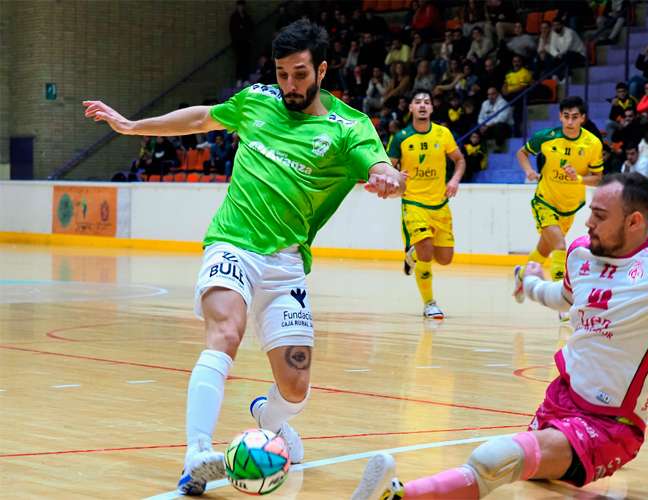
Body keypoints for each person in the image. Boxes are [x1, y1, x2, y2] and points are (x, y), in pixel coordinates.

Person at [83, 19, 406, 496]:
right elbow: (200, 119)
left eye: (299, 74)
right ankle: (197, 456)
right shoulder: (257, 101)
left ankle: (269, 421)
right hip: (232, 242)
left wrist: (387, 177)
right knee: (225, 333)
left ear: (321, 69)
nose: (290, 85)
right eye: (282, 74)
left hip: (286, 263)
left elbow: (377, 163)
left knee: (296, 381)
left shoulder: (347, 127)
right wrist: (132, 126)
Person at [352, 172, 648, 500]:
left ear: (635, 223)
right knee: (534, 479)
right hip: (560, 399)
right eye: (590, 213)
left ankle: (398, 496)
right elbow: (567, 298)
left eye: (600, 216)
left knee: (494, 460)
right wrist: (528, 286)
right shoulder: (581, 253)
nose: (587, 224)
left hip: (611, 426)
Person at [514, 96, 603, 316]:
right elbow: (522, 153)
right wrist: (528, 171)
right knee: (560, 246)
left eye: (575, 117)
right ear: (560, 116)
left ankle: (522, 275)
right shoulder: (546, 138)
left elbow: (598, 177)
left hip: (570, 206)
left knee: (544, 249)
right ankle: (561, 304)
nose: (570, 121)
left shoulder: (592, 143)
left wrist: (579, 180)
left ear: (582, 118)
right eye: (566, 116)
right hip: (545, 200)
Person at [388, 89, 466, 319]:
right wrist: (395, 175)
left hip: (440, 206)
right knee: (425, 250)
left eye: (427, 102)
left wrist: (454, 180)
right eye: (418, 102)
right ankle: (429, 303)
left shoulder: (443, 134)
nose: (422, 105)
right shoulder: (401, 137)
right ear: (410, 108)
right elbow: (387, 166)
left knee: (445, 258)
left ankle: (410, 256)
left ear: (432, 108)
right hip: (414, 204)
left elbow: (459, 160)